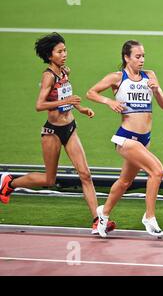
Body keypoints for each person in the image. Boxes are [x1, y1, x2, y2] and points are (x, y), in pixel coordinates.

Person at [0, 32, 115, 235]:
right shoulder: (48, 76)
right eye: (59, 51)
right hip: (52, 131)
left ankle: (98, 221)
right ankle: (9, 183)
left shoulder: (64, 72)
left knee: (85, 174)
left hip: (70, 128)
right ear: (49, 54)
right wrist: (65, 103)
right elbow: (39, 105)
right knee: (49, 180)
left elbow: (66, 96)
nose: (64, 54)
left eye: (65, 50)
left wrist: (80, 108)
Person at [86, 40, 163, 238]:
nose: (142, 60)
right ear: (126, 57)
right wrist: (109, 101)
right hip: (125, 137)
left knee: (124, 182)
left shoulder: (150, 76)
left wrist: (156, 90)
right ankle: (149, 217)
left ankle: (102, 215)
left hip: (143, 139)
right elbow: (91, 92)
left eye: (143, 56)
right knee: (157, 171)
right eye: (137, 56)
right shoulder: (117, 77)